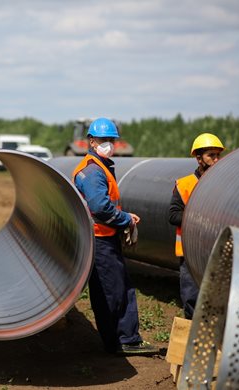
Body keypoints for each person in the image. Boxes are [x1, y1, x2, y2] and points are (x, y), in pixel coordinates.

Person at [72, 117, 158, 355]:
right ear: (91, 141)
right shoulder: (93, 172)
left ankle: (117, 340)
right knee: (116, 291)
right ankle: (124, 340)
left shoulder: (99, 168)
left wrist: (123, 217)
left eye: (111, 140)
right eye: (103, 140)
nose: (108, 144)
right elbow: (100, 208)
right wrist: (126, 220)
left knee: (109, 290)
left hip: (102, 238)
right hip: (100, 241)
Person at [168, 133, 224, 320]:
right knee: (192, 295)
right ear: (199, 158)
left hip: (216, 250)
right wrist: (201, 218)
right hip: (190, 252)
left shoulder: (223, 185)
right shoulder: (184, 184)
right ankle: (193, 333)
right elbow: (173, 215)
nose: (216, 160)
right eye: (211, 155)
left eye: (218, 155)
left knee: (217, 296)